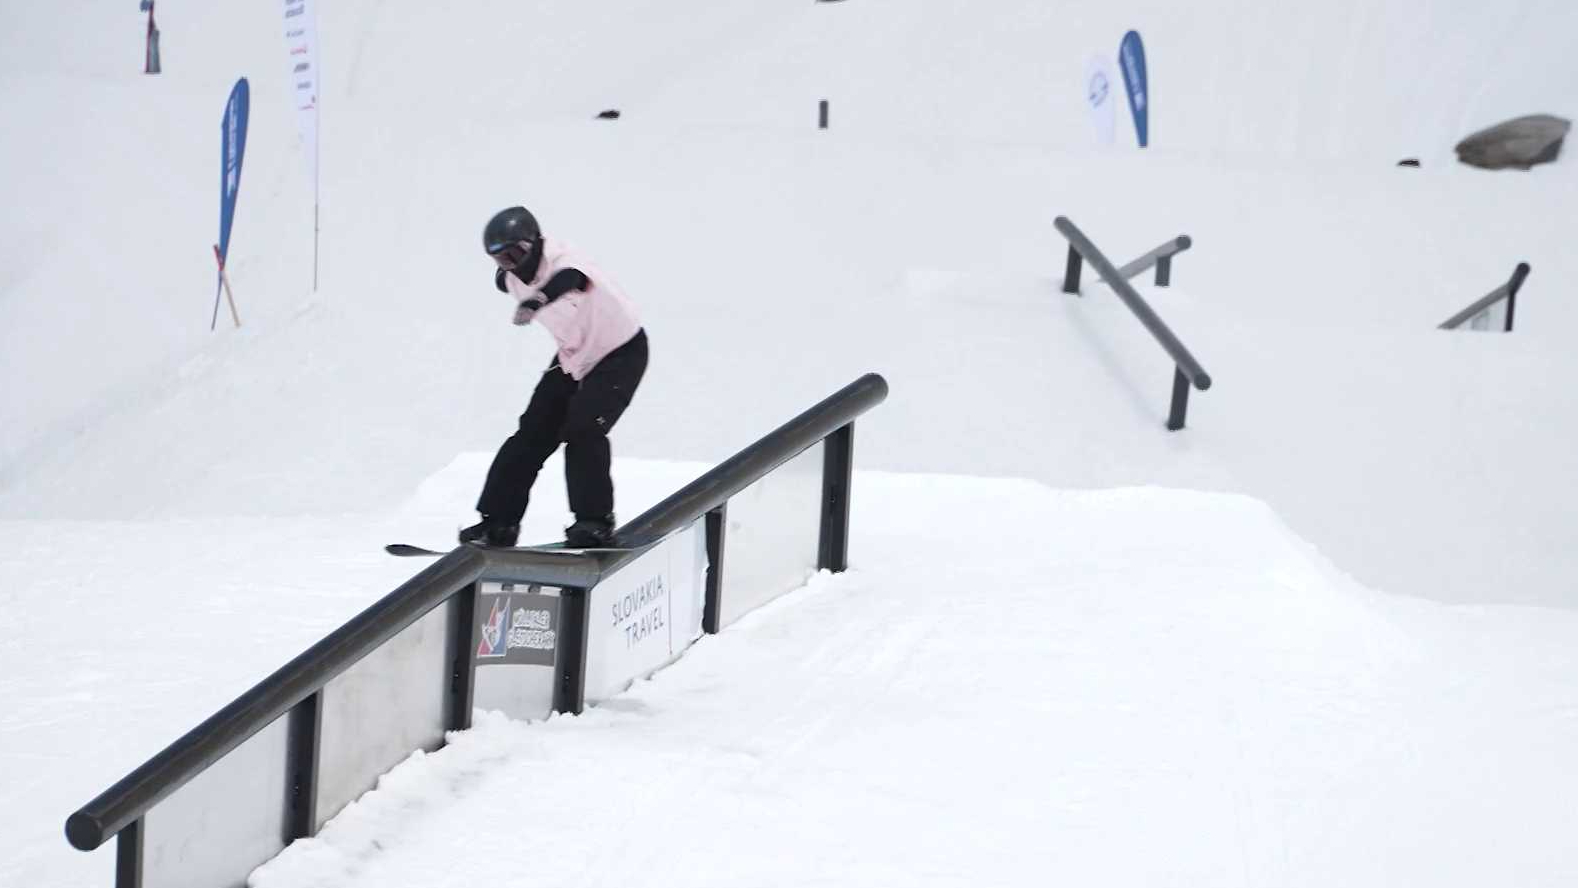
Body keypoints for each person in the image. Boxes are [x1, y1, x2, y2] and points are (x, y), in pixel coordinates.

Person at [461, 206, 648, 549]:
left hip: (620, 353)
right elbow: (505, 280)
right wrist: (515, 281)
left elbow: (569, 279)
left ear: (535, 242)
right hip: (573, 357)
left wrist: (538, 301)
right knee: (531, 433)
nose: (513, 265)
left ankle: (594, 522)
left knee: (584, 428)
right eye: (502, 260)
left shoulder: (563, 258)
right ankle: (498, 524)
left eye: (516, 254)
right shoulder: (510, 279)